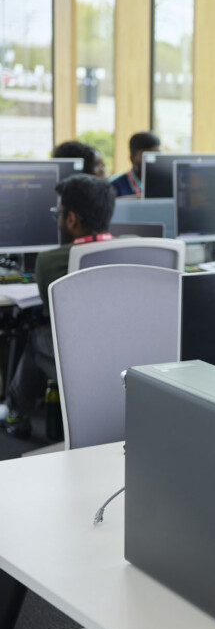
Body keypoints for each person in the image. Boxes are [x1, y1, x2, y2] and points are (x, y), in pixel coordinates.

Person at [1, 175, 116, 438]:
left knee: (36, 336)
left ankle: (17, 413)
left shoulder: (50, 260)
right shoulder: (135, 245)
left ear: (72, 219)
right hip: (132, 359)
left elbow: (53, 316)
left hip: (84, 362)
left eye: (59, 214)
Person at [108, 131, 160, 198]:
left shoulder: (165, 184)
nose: (153, 162)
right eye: (147, 157)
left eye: (157, 156)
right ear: (132, 158)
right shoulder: (114, 186)